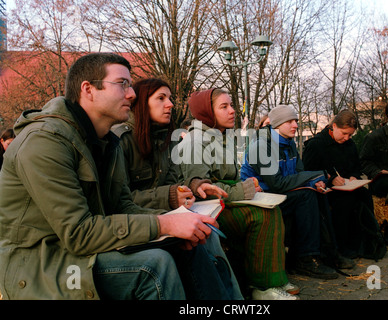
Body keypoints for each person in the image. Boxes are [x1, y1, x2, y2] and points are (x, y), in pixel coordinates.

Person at [0, 53, 230, 300]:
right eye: (122, 84)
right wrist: (165, 224)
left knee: (192, 246)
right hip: (39, 265)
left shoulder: (106, 142)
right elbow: (78, 233)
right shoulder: (44, 142)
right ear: (88, 89)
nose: (131, 94)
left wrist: (180, 224)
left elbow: (123, 207)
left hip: (82, 251)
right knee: (153, 266)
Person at [112, 77, 242, 299]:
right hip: (134, 224)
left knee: (205, 233)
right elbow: (118, 200)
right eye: (161, 98)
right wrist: (171, 196)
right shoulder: (120, 140)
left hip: (162, 216)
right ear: (142, 103)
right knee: (198, 239)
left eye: (170, 98)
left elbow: (174, 183)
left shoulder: (167, 139)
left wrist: (192, 186)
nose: (170, 104)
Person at [174, 88, 299, 300]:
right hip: (209, 210)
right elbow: (202, 191)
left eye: (231, 105)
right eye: (224, 107)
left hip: (226, 200)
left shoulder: (222, 137)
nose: (232, 111)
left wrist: (249, 186)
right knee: (261, 215)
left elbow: (232, 177)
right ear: (207, 112)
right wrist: (244, 189)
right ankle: (262, 288)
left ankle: (273, 279)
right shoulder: (195, 141)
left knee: (274, 209)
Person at [241, 105, 354, 279]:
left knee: (318, 192)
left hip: (277, 194)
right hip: (261, 197)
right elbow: (277, 183)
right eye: (290, 121)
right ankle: (305, 259)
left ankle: (328, 253)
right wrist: (318, 174)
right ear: (277, 124)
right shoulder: (261, 146)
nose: (295, 125)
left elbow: (299, 173)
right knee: (306, 196)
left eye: (296, 121)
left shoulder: (289, 142)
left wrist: (316, 182)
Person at [303, 110, 377, 258]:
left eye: (350, 135)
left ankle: (367, 240)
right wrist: (329, 179)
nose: (346, 138)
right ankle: (342, 246)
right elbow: (307, 171)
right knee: (345, 202)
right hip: (324, 190)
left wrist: (354, 176)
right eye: (344, 133)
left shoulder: (349, 144)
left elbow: (356, 166)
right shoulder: (316, 145)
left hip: (347, 185)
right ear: (334, 126)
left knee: (365, 195)